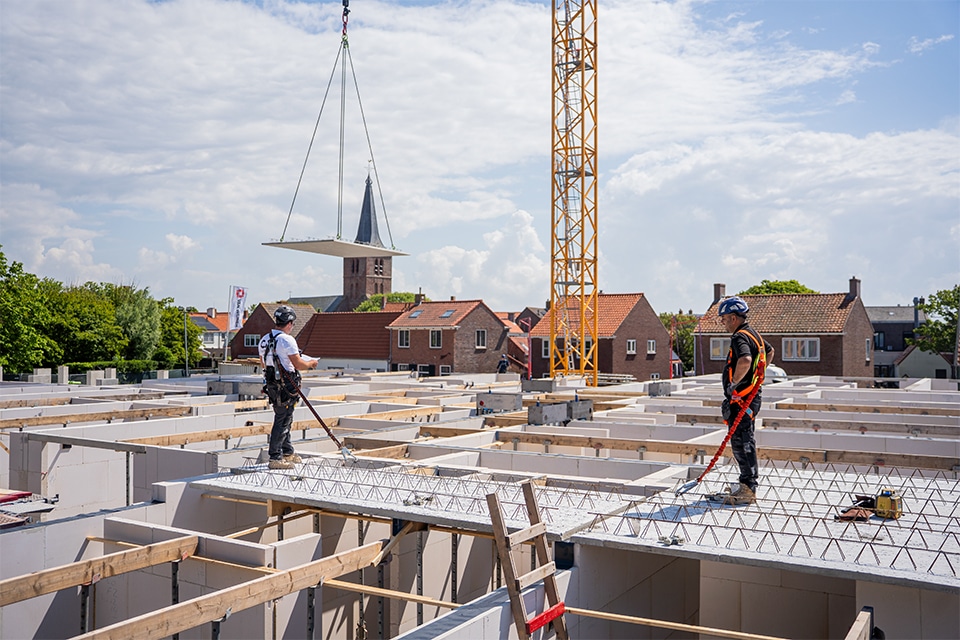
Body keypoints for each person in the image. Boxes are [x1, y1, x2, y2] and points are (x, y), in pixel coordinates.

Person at [714, 296, 774, 505]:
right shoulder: (753, 334)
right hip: (750, 396)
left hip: (743, 399)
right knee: (744, 439)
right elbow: (769, 351)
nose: (722, 323)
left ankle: (748, 488)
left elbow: (746, 359)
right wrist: (757, 376)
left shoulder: (739, 336)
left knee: (742, 442)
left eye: (723, 319)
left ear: (733, 317)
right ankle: (747, 485)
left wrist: (735, 384)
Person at [259, 305, 318, 470]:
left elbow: (263, 363)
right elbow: (298, 364)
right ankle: (275, 457)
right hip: (286, 385)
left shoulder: (264, 340)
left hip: (272, 385)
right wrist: (311, 364)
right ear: (290, 323)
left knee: (285, 418)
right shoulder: (286, 340)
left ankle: (287, 452)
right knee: (282, 420)